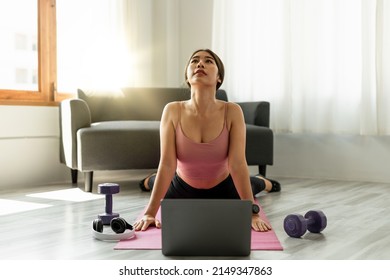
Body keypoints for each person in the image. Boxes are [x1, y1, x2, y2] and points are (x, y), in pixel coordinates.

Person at [133, 49, 280, 232]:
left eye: (208, 61)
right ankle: (148, 180)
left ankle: (263, 180)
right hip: (182, 186)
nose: (200, 64)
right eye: (194, 61)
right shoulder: (172, 110)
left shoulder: (232, 111)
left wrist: (252, 213)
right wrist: (149, 213)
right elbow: (167, 165)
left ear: (219, 77)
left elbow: (237, 164)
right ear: (187, 76)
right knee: (155, 183)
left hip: (223, 186)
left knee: (253, 184)